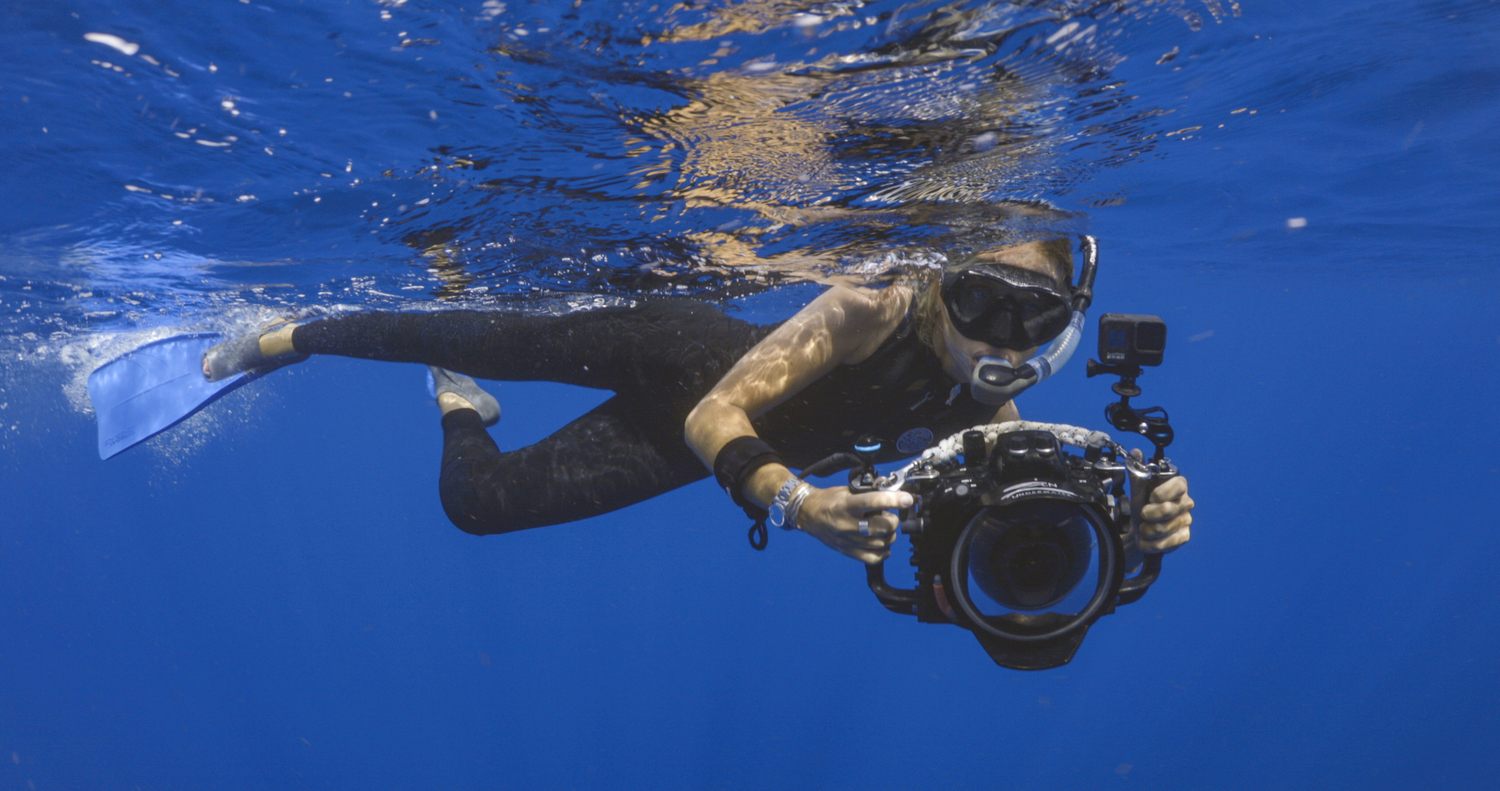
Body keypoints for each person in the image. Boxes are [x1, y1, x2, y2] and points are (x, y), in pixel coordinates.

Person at [203, 235, 1194, 564]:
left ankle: (462, 406)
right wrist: (796, 502)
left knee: (476, 506)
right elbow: (719, 414)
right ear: (941, 280)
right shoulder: (874, 305)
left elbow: (1005, 483)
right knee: (468, 332)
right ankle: (296, 335)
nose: (995, 339)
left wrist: (1131, 518)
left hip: (683, 438)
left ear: (1070, 315)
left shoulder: (984, 404)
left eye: (1033, 317)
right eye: (978, 299)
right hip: (676, 351)